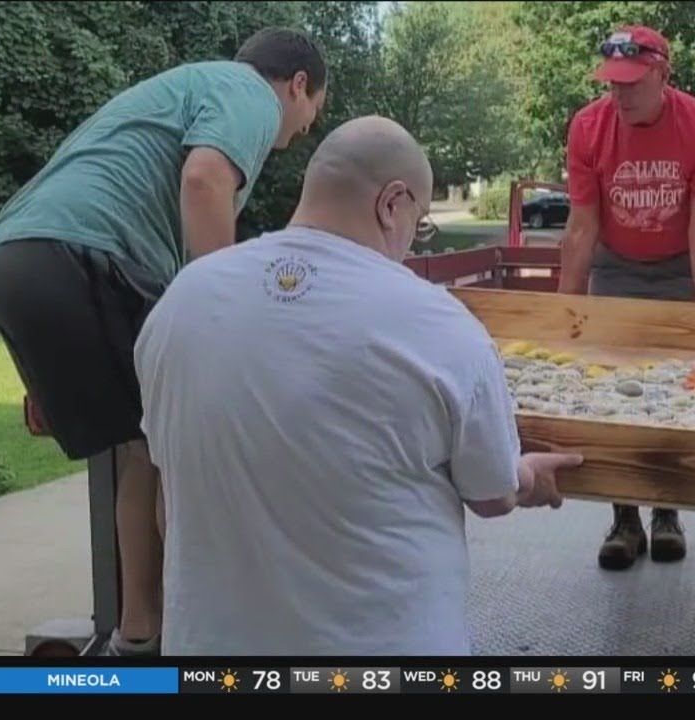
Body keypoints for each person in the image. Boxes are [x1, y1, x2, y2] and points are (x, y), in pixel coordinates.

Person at [133, 115, 584, 656]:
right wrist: (529, 477)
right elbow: (493, 494)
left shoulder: (181, 303)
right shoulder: (439, 324)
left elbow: (167, 491)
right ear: (392, 203)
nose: (414, 239)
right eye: (420, 221)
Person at [0, 27, 328, 656]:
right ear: (298, 85)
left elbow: (68, 205)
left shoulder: (177, 89)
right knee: (183, 445)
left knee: (146, 445)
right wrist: (221, 313)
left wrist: (40, 374)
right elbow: (203, 181)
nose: (300, 133)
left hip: (14, 260)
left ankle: (138, 638)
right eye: (311, 115)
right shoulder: (247, 92)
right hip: (86, 255)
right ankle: (198, 637)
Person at [558, 25, 695, 571]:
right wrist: (562, 315)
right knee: (616, 391)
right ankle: (624, 521)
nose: (620, 93)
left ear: (663, 73)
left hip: (680, 265)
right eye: (612, 82)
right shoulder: (588, 128)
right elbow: (581, 228)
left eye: (632, 82)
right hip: (617, 266)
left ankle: (667, 513)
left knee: (676, 389)